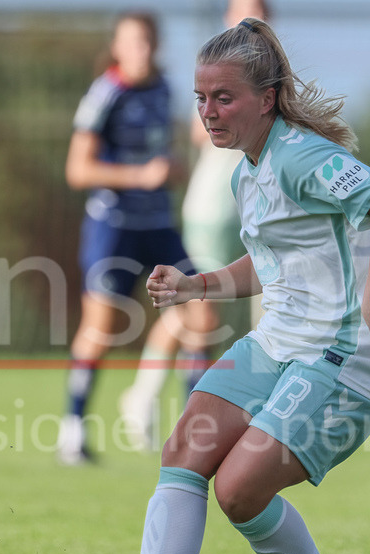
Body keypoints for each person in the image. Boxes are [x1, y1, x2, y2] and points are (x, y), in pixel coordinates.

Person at [61, 17, 370, 554]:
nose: (207, 111)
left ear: (267, 98)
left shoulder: (303, 155)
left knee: (237, 490)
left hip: (347, 358)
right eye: (201, 98)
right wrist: (193, 287)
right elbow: (272, 263)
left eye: (223, 98)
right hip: (280, 343)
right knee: (185, 449)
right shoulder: (246, 171)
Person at [117, 0, 271, 453]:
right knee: (195, 305)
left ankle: (240, 414)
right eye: (241, 11)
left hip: (250, 213)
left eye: (259, 10)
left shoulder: (272, 77)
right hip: (211, 209)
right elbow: (196, 130)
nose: (250, 19)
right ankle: (149, 401)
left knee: (232, 310)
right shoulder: (220, 69)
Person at [57, 11, 208, 465]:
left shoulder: (165, 90)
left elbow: (170, 156)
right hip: (114, 226)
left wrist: (171, 171)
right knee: (101, 330)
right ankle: (72, 431)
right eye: (132, 42)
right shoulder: (106, 92)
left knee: (201, 308)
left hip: (158, 225)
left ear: (156, 45)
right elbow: (78, 169)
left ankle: (195, 436)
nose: (140, 50)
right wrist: (140, 176)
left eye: (147, 41)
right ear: (118, 47)